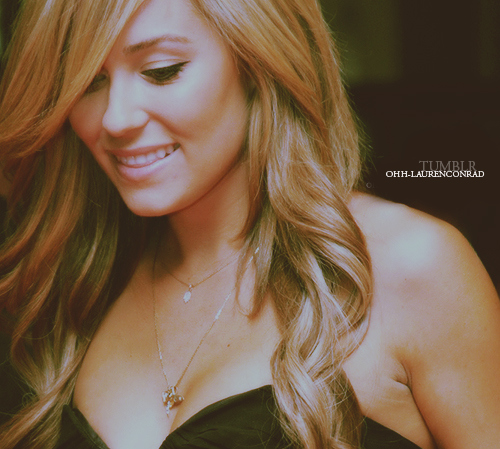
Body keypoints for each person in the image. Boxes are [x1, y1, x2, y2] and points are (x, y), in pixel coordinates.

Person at [1, 0, 499, 448]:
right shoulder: (75, 285)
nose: (115, 119)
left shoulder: (413, 268)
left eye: (161, 71)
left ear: (257, 62)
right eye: (89, 82)